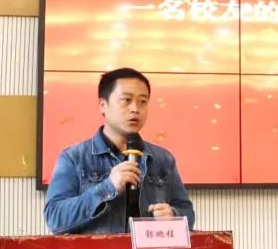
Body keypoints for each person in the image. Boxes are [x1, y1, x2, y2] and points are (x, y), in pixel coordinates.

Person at [44, 67, 194, 234]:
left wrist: (173, 215)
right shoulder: (74, 157)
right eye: (126, 100)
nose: (135, 108)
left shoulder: (163, 159)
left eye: (143, 101)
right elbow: (55, 218)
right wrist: (108, 187)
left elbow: (187, 213)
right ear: (103, 105)